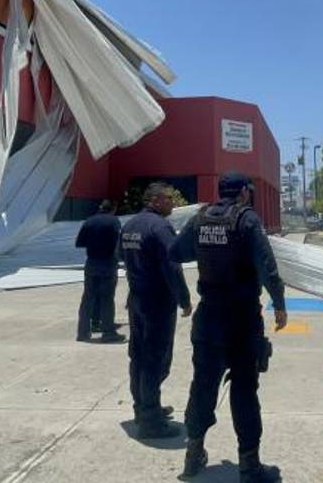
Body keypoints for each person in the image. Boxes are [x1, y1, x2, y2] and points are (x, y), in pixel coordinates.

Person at [172, 172, 288, 482]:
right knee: (244, 390)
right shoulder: (247, 219)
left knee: (203, 385)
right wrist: (279, 302)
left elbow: (175, 253)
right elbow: (267, 265)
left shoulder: (200, 218)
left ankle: (193, 456)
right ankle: (249, 466)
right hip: (241, 320)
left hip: (208, 318)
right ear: (244, 193)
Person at [120, 183, 192, 439]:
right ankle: (151, 420)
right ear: (156, 200)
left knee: (138, 356)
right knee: (156, 360)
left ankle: (143, 407)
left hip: (137, 299)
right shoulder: (160, 227)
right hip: (157, 303)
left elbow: (123, 257)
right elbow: (173, 265)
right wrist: (184, 298)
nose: (173, 203)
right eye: (169, 199)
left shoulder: (129, 226)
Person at [75, 199, 125, 343]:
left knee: (88, 298)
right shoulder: (113, 221)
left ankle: (83, 332)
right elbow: (118, 242)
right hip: (108, 262)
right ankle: (108, 331)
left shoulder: (89, 221)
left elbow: (79, 243)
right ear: (113, 209)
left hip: (91, 262)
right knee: (107, 298)